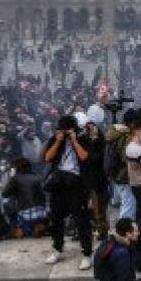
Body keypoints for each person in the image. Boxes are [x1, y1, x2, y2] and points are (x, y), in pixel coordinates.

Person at [42, 114, 93, 270]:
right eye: (62, 130)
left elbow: (84, 157)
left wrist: (74, 140)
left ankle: (87, 253)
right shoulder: (56, 139)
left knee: (81, 220)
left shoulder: (83, 139)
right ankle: (57, 248)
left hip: (77, 184)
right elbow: (47, 157)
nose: (64, 133)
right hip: (59, 183)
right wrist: (58, 140)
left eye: (67, 130)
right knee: (56, 218)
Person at [3, 157, 47, 236]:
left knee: (6, 203)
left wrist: (11, 177)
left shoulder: (15, 178)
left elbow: (5, 194)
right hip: (43, 211)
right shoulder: (37, 176)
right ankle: (38, 226)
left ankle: (17, 229)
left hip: (27, 213)